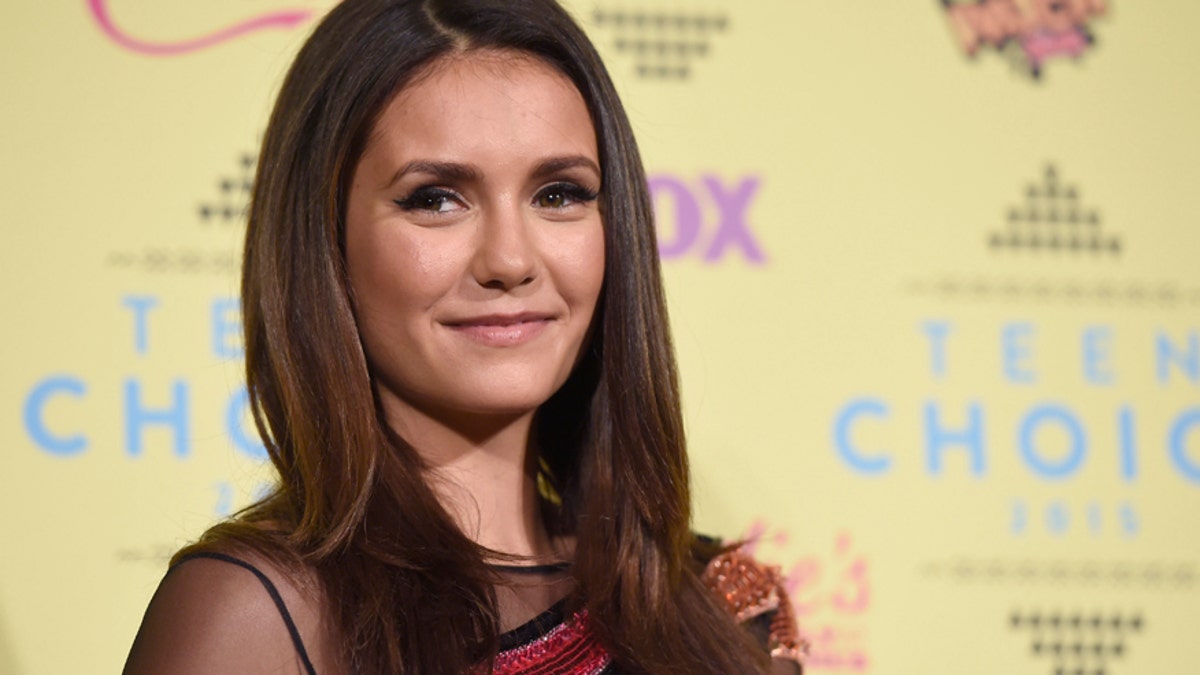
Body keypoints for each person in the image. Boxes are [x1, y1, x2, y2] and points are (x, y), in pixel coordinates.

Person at [123, 0, 805, 672]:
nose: (510, 260)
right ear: (325, 241)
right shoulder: (257, 619)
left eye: (559, 193)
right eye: (435, 198)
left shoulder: (723, 612)